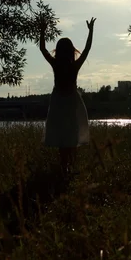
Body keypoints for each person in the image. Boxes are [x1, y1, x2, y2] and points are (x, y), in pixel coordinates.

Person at [39, 17, 96, 177]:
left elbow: (43, 49)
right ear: (71, 51)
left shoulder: (56, 64)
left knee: (62, 135)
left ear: (58, 50)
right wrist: (91, 31)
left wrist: (42, 30)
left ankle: (65, 167)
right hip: (71, 100)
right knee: (71, 133)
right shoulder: (74, 65)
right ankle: (69, 167)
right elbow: (87, 49)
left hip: (59, 101)